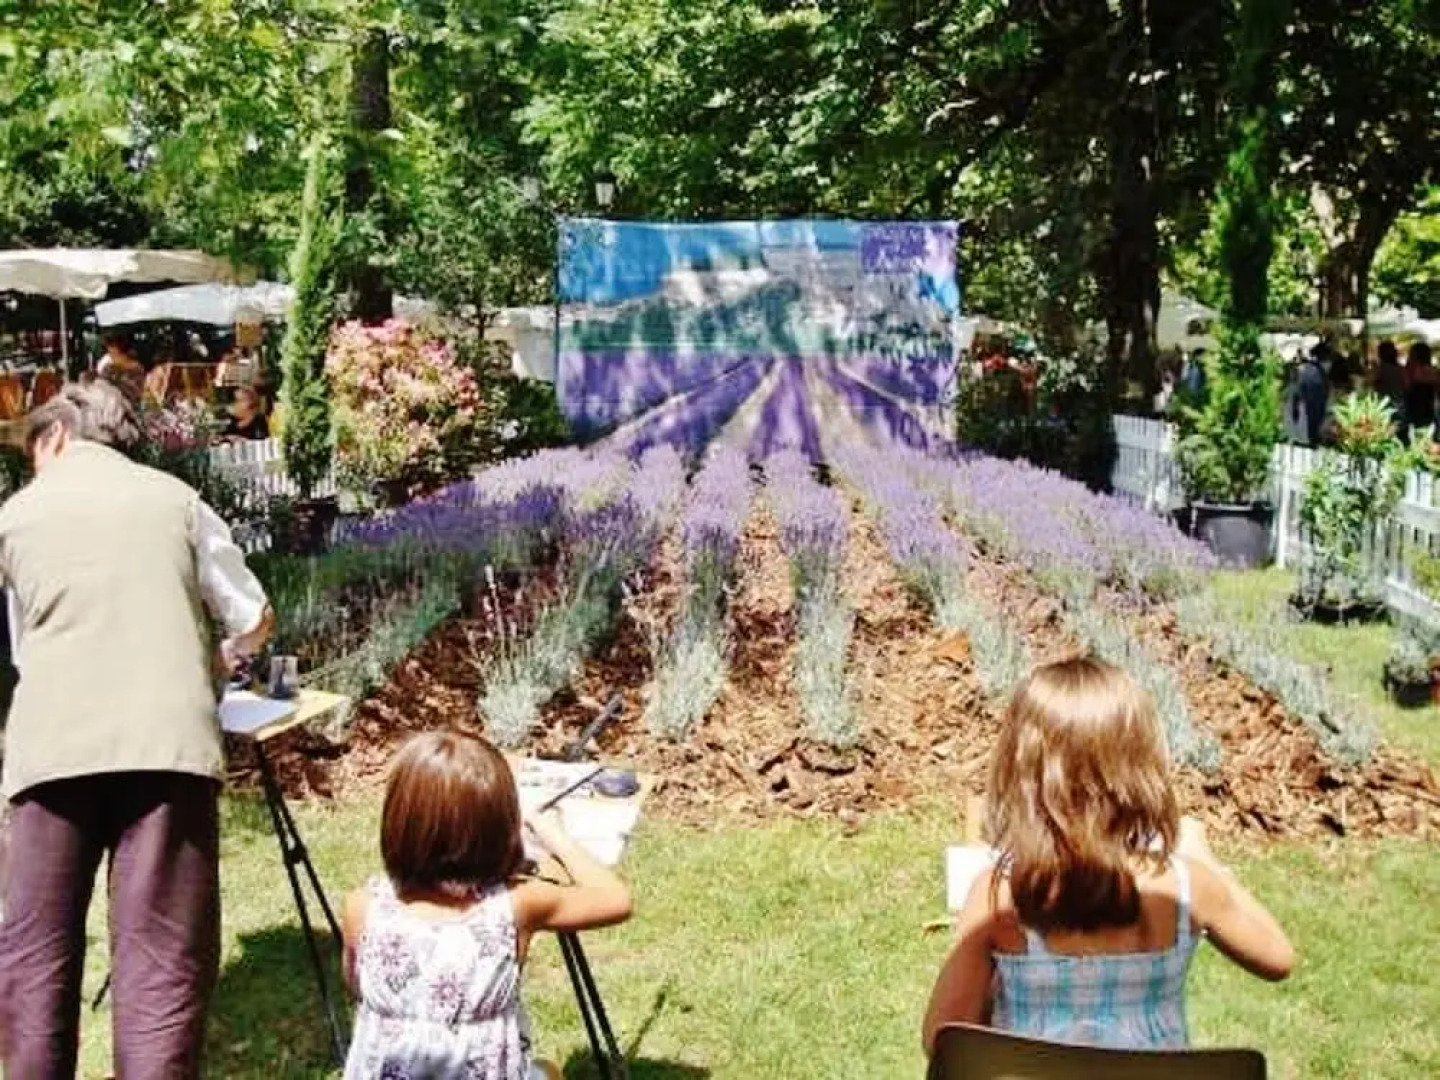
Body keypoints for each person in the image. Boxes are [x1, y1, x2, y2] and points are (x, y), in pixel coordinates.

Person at [0, 380, 275, 1078]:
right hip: (167, 746)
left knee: (34, 952)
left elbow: (19, 646)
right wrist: (217, 659)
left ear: (57, 436)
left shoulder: (17, 514)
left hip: (50, 751)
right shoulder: (176, 501)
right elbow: (253, 617)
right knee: (160, 957)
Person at [923, 658, 1293, 1055]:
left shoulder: (999, 895)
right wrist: (1204, 859)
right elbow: (1278, 957)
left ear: (1023, 768)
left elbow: (943, 1041)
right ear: (1141, 765)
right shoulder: (1189, 886)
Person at [342, 732, 633, 1080]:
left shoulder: (362, 907)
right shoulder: (516, 905)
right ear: (500, 830)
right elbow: (616, 899)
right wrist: (553, 832)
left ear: (398, 823)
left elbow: (355, 983)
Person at [95, 334, 146, 404]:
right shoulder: (138, 367)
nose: (109, 352)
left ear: (115, 348)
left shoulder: (110, 369)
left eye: (110, 348)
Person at [1405, 341, 1438, 443]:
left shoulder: (1415, 371)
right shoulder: (1433, 371)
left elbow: (1408, 386)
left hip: (1418, 411)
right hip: (1427, 411)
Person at [1297, 343, 1330, 446]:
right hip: (1314, 405)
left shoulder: (1307, 369)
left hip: (1308, 406)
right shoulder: (1316, 371)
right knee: (1313, 429)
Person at [1373, 340, 1406, 438]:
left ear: (1381, 354)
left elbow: (1372, 385)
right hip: (1401, 406)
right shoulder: (1401, 368)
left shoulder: (1381, 369)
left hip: (1385, 408)